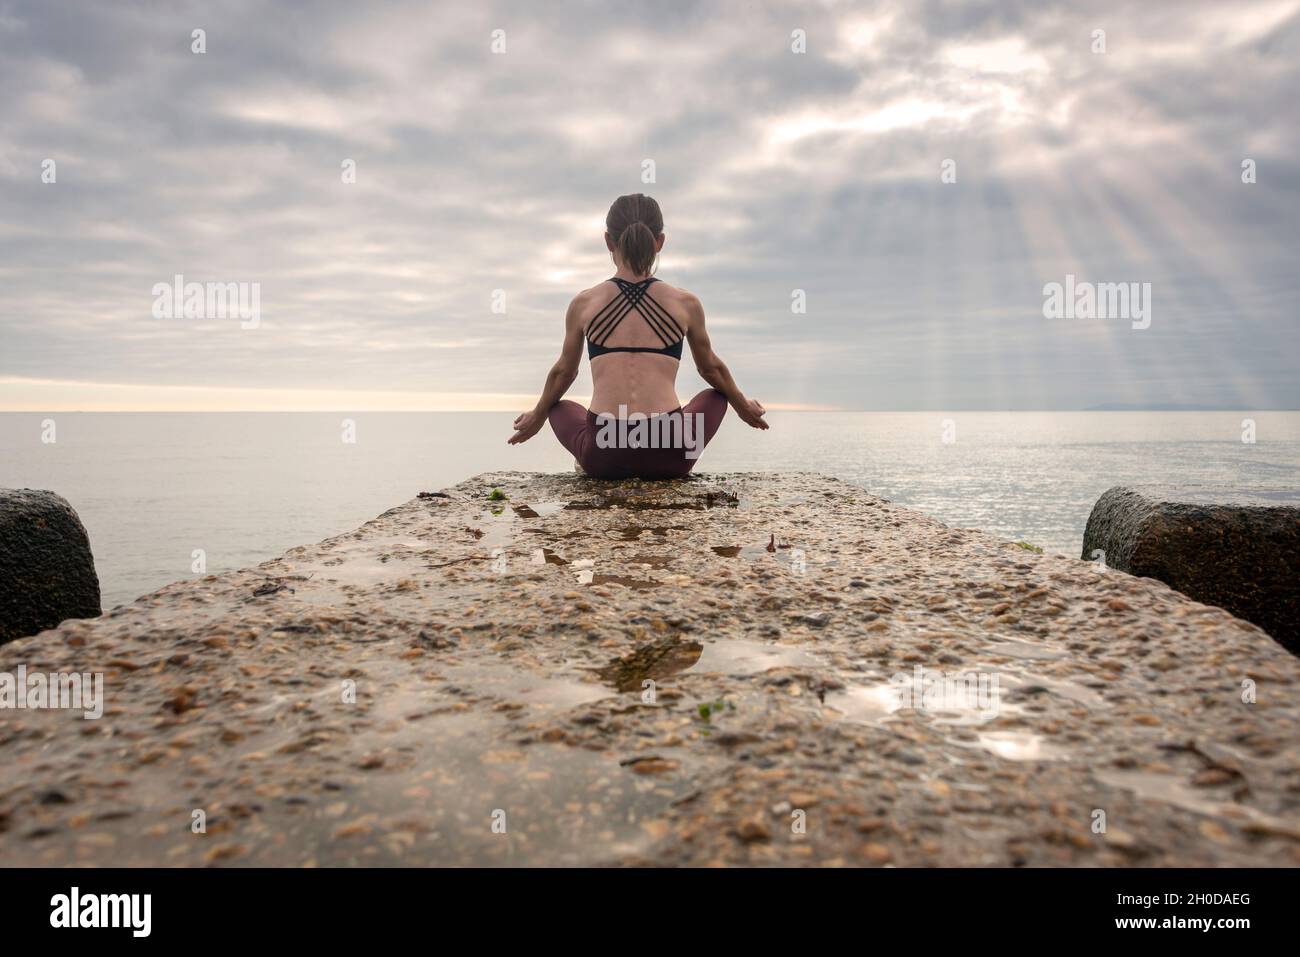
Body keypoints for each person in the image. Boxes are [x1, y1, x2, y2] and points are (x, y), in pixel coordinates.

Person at [507, 193, 767, 478]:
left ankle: (589, 461)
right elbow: (710, 368)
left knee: (558, 405)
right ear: (660, 242)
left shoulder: (584, 303)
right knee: (716, 396)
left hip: (605, 454)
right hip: (670, 454)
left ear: (608, 241)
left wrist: (538, 414)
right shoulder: (685, 303)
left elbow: (564, 373)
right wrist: (741, 406)